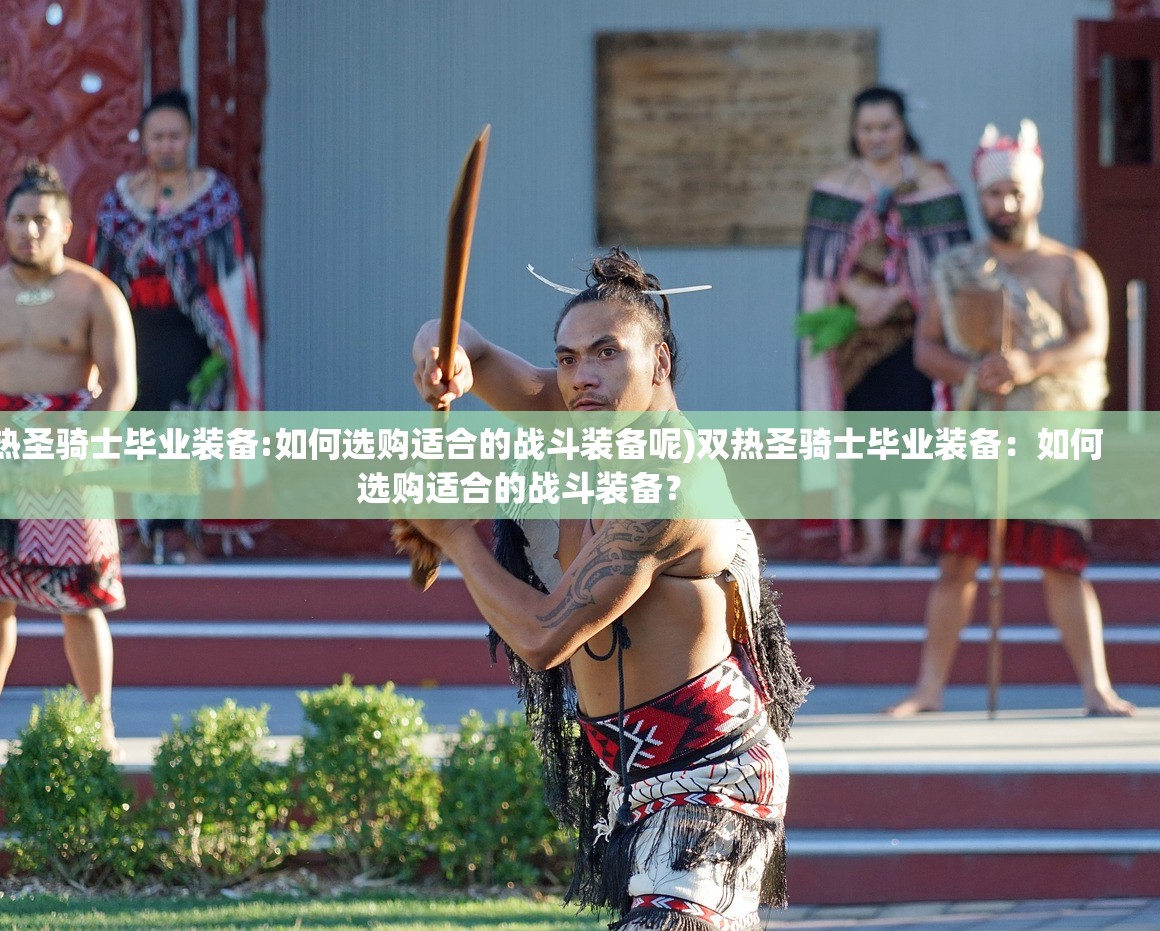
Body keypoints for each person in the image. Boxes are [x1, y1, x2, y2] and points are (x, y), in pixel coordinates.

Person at [404, 249, 810, 930]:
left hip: (714, 778)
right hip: (637, 779)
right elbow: (454, 336)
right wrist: (444, 359)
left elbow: (541, 638)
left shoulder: (667, 486)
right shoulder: (585, 411)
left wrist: (453, 536)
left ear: (659, 364)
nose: (579, 377)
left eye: (604, 353)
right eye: (565, 359)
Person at [886, 120, 1135, 718]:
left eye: (1017, 192)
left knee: (1063, 564)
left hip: (1050, 437)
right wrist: (979, 372)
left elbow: (1092, 341)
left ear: (1036, 195)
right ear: (982, 196)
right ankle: (929, 690)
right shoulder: (958, 268)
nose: (1007, 203)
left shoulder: (1071, 267)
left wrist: (1028, 363)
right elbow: (927, 350)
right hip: (980, 433)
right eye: (996, 193)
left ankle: (1096, 690)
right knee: (958, 564)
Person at [0, 161, 137, 751]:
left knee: (82, 599)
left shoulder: (96, 293)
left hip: (71, 452)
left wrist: (80, 443)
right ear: (4, 226)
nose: (30, 231)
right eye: (19, 220)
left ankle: (99, 728)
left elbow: (121, 386)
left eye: (41, 220)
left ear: (66, 227)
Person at [88, 87, 264, 564]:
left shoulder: (216, 198)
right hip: (135, 337)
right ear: (143, 139)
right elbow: (98, 278)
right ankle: (140, 534)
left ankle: (186, 533)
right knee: (134, 432)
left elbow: (234, 280)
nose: (166, 144)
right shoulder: (119, 202)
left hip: (194, 341)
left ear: (188, 138)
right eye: (157, 136)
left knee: (188, 436)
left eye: (175, 136)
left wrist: (227, 344)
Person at [798, 86, 972, 565]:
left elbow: (952, 263)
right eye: (867, 128)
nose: (877, 137)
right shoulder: (834, 186)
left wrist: (896, 294)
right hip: (853, 336)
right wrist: (858, 294)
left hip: (917, 334)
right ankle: (873, 542)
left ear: (903, 128)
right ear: (854, 133)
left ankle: (914, 542)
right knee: (865, 438)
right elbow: (820, 267)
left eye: (886, 127)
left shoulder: (934, 183)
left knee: (917, 436)